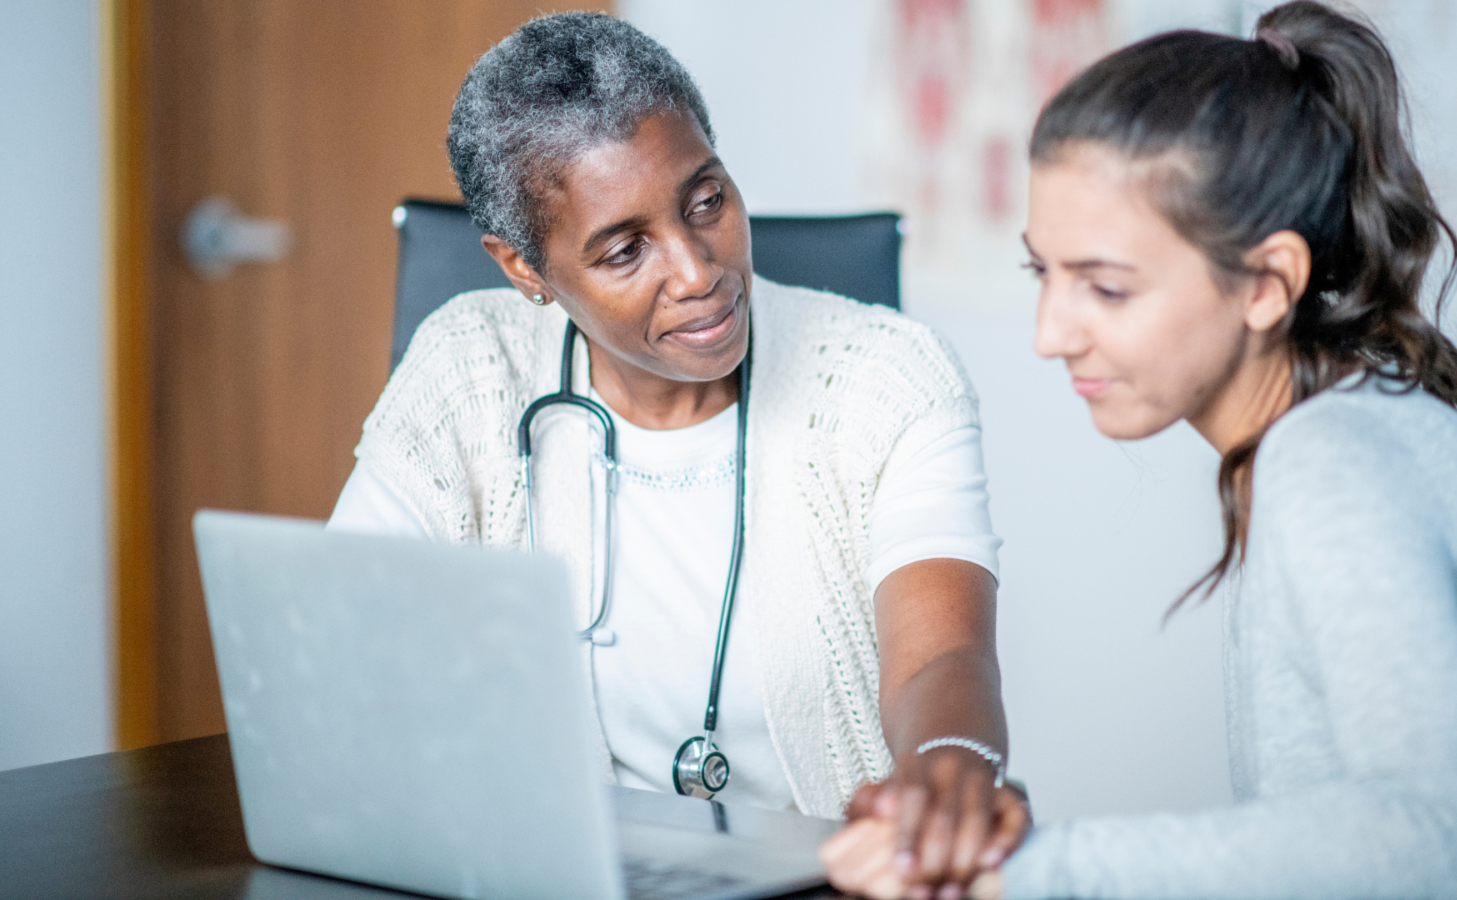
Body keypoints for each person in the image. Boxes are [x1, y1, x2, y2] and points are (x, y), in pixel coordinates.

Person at [822, 2, 1457, 898]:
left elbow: (1425, 847)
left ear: (1267, 284)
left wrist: (1023, 873)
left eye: (1106, 288)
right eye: (1046, 273)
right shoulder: (1326, 432)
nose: (1050, 333)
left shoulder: (1336, 464)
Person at [327, 9, 1029, 882]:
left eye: (707, 201)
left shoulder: (886, 377)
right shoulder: (467, 368)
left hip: (829, 877)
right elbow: (337, 648)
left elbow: (943, 653)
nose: (699, 272)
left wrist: (949, 762)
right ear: (523, 270)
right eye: (625, 250)